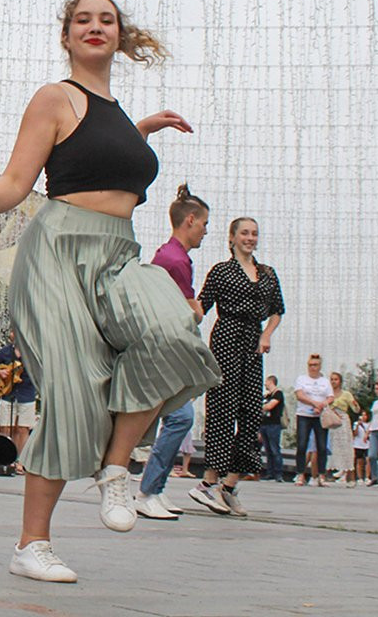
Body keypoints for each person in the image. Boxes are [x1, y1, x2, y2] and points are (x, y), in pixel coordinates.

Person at [0, 0, 221, 583]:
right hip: (59, 253)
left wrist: (142, 129)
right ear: (66, 36)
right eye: (83, 20)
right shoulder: (55, 97)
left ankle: (115, 469)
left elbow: (104, 154)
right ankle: (31, 545)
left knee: (173, 334)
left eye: (106, 20)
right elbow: (18, 180)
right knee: (72, 393)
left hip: (117, 253)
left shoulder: (116, 113)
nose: (95, 27)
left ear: (120, 35)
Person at [191, 217, 285, 512]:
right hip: (226, 337)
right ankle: (208, 482)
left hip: (253, 342)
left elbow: (277, 310)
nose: (250, 238)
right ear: (232, 237)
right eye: (244, 233)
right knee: (222, 407)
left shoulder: (267, 273)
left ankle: (229, 485)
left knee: (251, 412)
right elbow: (201, 306)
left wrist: (266, 334)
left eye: (254, 233)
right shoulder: (221, 271)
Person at [135, 184, 210, 521]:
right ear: (190, 220)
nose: (205, 230)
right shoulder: (174, 260)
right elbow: (188, 311)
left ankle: (154, 488)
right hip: (163, 350)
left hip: (164, 349)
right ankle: (147, 490)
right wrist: (195, 311)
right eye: (204, 223)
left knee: (175, 417)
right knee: (180, 417)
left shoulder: (174, 256)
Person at [0, 332, 37, 456]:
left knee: (23, 428)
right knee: (5, 427)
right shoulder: (4, 351)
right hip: (7, 394)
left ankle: (20, 459)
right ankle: (5, 456)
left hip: (27, 394)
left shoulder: (33, 352)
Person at [292, 354, 332, 487]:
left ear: (319, 366)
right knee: (302, 444)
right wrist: (314, 403)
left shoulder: (325, 381)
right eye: (310, 365)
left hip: (320, 415)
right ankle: (300, 474)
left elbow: (330, 397)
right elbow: (300, 395)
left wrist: (322, 405)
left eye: (315, 365)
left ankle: (321, 475)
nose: (312, 368)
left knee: (322, 446)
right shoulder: (302, 379)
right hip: (304, 414)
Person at [327, 371, 360, 485]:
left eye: (336, 379)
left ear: (340, 381)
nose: (333, 381)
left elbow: (355, 409)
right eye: (332, 379)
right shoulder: (327, 394)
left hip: (342, 420)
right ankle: (329, 473)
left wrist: (355, 405)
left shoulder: (346, 394)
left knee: (346, 447)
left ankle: (349, 475)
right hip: (330, 420)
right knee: (331, 446)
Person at [260, 375, 286, 481]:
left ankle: (278, 473)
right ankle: (270, 472)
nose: (265, 384)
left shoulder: (278, 394)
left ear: (271, 381)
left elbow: (269, 406)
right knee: (268, 449)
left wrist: (260, 407)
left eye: (266, 382)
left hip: (273, 424)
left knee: (275, 449)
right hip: (264, 424)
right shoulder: (267, 395)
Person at [353, 409, 371, 484]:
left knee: (367, 460)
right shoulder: (356, 424)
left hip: (367, 444)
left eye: (365, 415)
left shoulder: (370, 424)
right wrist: (358, 425)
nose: (363, 417)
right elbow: (355, 434)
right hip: (358, 444)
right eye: (362, 415)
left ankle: (367, 477)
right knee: (359, 461)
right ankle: (359, 477)